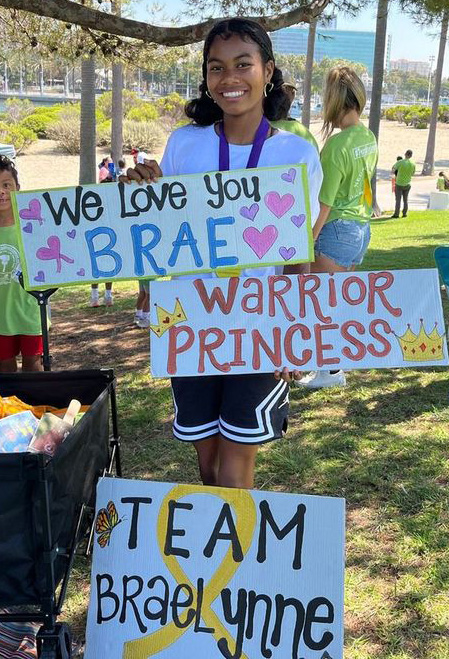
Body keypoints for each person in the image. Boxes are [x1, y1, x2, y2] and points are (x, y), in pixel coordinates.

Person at [121, 18, 322, 489]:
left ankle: (238, 561)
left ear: (267, 71)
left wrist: (298, 328)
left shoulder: (296, 152)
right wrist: (138, 191)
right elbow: (160, 229)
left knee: (236, 464)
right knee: (207, 460)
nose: (229, 78)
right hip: (191, 320)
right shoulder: (185, 144)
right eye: (216, 67)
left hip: (261, 322)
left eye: (243, 64)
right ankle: (220, 560)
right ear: (207, 77)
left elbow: (297, 253)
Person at [296, 66, 378, 390]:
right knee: (338, 302)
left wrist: (306, 243)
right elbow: (367, 187)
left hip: (337, 229)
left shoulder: (336, 145)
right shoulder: (368, 137)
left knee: (324, 305)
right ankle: (334, 369)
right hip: (361, 229)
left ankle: (328, 372)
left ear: (332, 100)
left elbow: (325, 204)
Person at [0, 156, 43, 372]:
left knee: (34, 366)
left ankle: (37, 406)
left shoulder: (34, 227)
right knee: (4, 369)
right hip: (1, 314)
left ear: (18, 188)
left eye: (6, 185)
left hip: (31, 309)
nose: (1, 192)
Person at [90, 158, 114, 306]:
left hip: (102, 236)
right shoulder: (99, 201)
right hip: (102, 236)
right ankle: (103, 296)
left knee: (100, 267)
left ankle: (100, 297)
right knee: (102, 267)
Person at [271, 81, 319, 152]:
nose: (288, 96)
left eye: (291, 92)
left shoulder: (257, 128)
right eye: (283, 91)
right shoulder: (302, 132)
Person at [391, 149, 415, 218]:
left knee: (398, 200)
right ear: (411, 156)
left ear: (405, 154)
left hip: (399, 183)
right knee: (405, 199)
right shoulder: (413, 163)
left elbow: (393, 169)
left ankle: (396, 214)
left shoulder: (400, 162)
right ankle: (404, 213)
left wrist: (395, 174)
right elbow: (413, 173)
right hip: (408, 184)